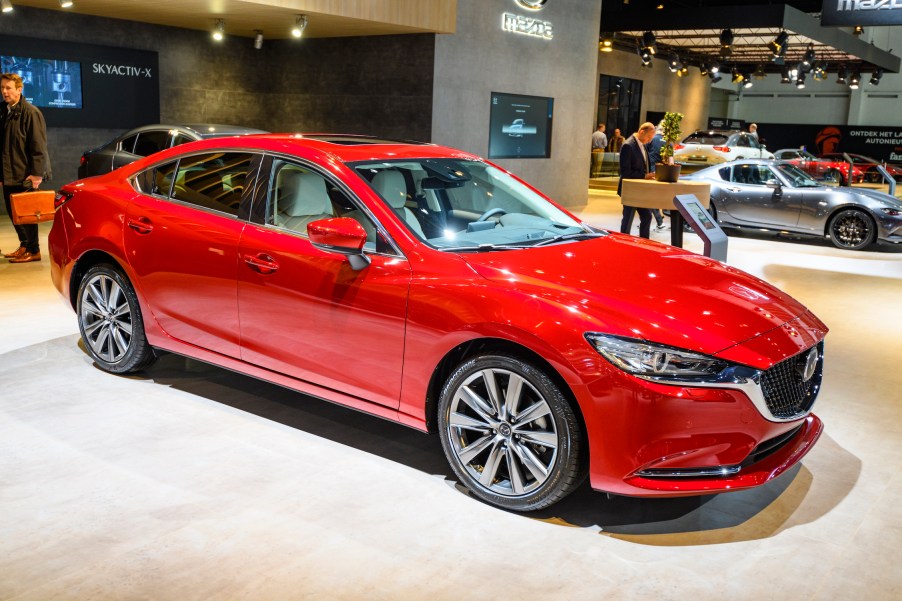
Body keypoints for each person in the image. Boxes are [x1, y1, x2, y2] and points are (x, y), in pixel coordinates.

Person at [1, 73, 51, 263]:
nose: (4, 92)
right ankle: (24, 246)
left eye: (8, 88)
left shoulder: (31, 113)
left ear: (19, 90)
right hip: (8, 173)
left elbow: (38, 146)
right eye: (2, 88)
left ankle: (34, 250)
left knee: (28, 214)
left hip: (25, 174)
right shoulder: (4, 111)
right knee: (15, 214)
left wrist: (37, 174)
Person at [618, 122, 657, 239]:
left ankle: (644, 244)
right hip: (630, 190)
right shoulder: (628, 145)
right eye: (649, 137)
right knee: (628, 220)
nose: (650, 140)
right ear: (641, 132)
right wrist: (644, 176)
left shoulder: (642, 144)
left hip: (640, 190)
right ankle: (623, 244)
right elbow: (625, 172)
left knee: (647, 216)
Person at [644, 124, 667, 232]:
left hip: (650, 171)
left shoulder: (653, 139)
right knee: (653, 198)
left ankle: (658, 222)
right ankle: (651, 221)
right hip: (661, 172)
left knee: (649, 198)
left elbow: (645, 152)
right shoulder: (667, 141)